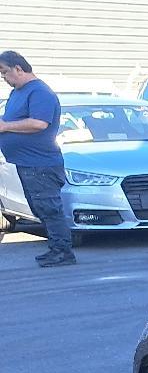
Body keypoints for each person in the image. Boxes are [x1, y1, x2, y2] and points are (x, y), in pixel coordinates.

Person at [0, 50, 75, 266]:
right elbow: (11, 118)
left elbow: (39, 123)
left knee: (49, 208)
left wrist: (5, 126)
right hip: (26, 163)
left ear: (18, 68)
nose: (4, 78)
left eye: (5, 72)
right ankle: (55, 248)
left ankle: (63, 251)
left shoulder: (40, 92)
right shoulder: (17, 93)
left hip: (41, 164)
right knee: (39, 208)